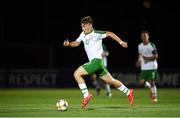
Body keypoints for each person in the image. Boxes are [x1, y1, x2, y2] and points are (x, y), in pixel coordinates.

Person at [63, 16, 134, 109]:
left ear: (89, 25)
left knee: (77, 74)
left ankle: (86, 95)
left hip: (96, 61)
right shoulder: (83, 34)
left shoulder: (96, 33)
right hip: (97, 64)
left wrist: (121, 42)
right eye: (82, 26)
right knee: (110, 81)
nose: (82, 28)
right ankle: (129, 92)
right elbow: (76, 43)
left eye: (84, 26)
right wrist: (69, 44)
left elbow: (110, 33)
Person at [136, 30, 158, 102]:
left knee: (152, 82)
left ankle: (154, 97)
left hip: (152, 66)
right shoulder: (140, 46)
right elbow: (140, 55)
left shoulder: (151, 45)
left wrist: (147, 58)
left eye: (145, 36)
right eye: (142, 36)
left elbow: (156, 56)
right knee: (142, 82)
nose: (143, 37)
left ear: (148, 36)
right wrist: (139, 61)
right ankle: (150, 88)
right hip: (144, 67)